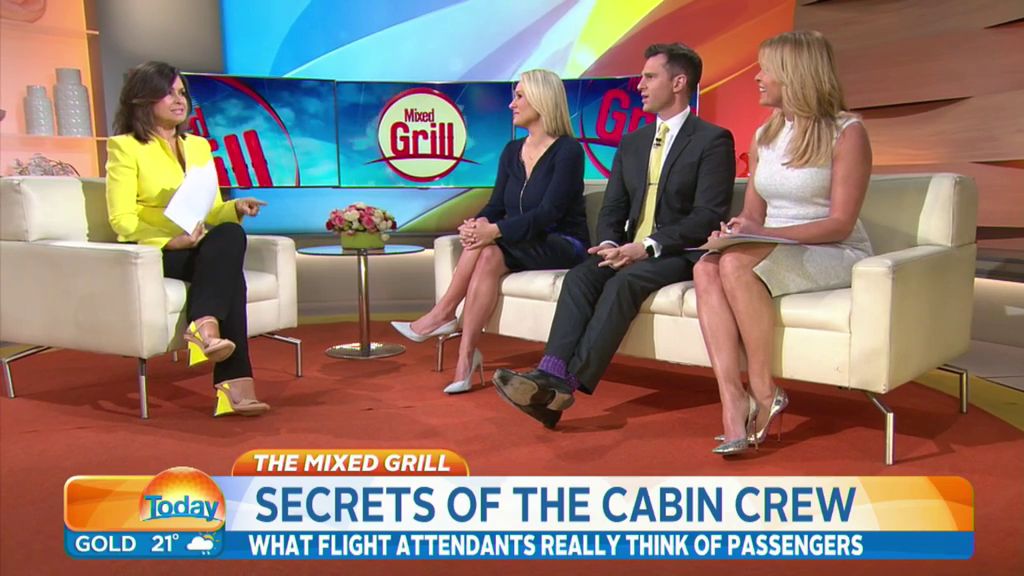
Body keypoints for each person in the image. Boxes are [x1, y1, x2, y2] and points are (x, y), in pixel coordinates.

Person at [493, 43, 736, 428]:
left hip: (678, 251)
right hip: (627, 248)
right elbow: (613, 207)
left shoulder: (713, 139)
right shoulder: (633, 141)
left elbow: (707, 215)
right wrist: (608, 243)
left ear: (678, 82)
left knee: (625, 282)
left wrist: (647, 247)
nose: (640, 85)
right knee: (581, 277)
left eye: (649, 77)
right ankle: (549, 374)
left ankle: (563, 385)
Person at [694, 31, 873, 456]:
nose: (757, 78)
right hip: (771, 244)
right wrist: (737, 230)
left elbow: (840, 224)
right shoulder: (764, 135)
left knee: (735, 265)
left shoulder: (847, 132)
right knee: (705, 266)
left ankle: (763, 389)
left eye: (766, 70)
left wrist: (765, 236)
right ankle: (732, 402)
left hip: (833, 250)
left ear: (795, 74)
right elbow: (754, 214)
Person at [391, 69, 589, 394]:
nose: (512, 104)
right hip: (521, 239)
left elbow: (549, 212)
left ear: (541, 99)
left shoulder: (568, 151)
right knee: (486, 253)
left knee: (489, 246)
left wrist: (494, 230)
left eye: (519, 96)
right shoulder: (512, 151)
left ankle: (443, 314)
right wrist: (477, 225)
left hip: (563, 243)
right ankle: (465, 357)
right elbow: (496, 204)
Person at [106, 61, 271, 417]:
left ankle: (204, 328)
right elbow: (122, 220)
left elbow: (208, 210)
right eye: (168, 93)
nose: (179, 100)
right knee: (231, 277)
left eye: (182, 92)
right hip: (157, 253)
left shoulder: (197, 146)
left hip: (196, 245)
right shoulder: (125, 148)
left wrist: (234, 207)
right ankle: (233, 384)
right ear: (143, 99)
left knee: (230, 232)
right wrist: (170, 242)